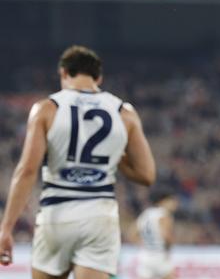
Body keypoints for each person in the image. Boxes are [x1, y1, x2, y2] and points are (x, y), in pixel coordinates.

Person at [0, 45, 156, 279]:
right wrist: (114, 153)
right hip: (99, 216)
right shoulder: (124, 112)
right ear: (99, 78)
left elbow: (27, 170)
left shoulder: (46, 109)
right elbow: (146, 175)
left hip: (57, 213)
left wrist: (6, 228)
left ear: (63, 73)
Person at [135, 189, 179, 279]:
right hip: (159, 255)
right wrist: (169, 247)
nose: (175, 203)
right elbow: (166, 236)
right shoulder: (163, 214)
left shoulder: (145, 214)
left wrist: (144, 244)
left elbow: (132, 233)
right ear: (163, 201)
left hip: (145, 256)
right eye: (172, 200)